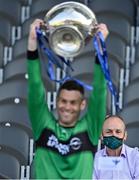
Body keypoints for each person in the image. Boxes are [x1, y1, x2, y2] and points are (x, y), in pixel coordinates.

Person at [27, 19, 109, 179]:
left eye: (73, 103)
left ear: (82, 104)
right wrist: (32, 41)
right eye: (63, 101)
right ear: (56, 101)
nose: (67, 107)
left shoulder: (90, 130)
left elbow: (100, 91)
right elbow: (35, 85)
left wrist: (100, 46)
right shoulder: (43, 125)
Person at [93, 115, 139, 179]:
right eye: (109, 132)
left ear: (125, 135)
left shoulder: (135, 156)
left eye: (118, 132)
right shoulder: (95, 159)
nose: (114, 135)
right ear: (101, 135)